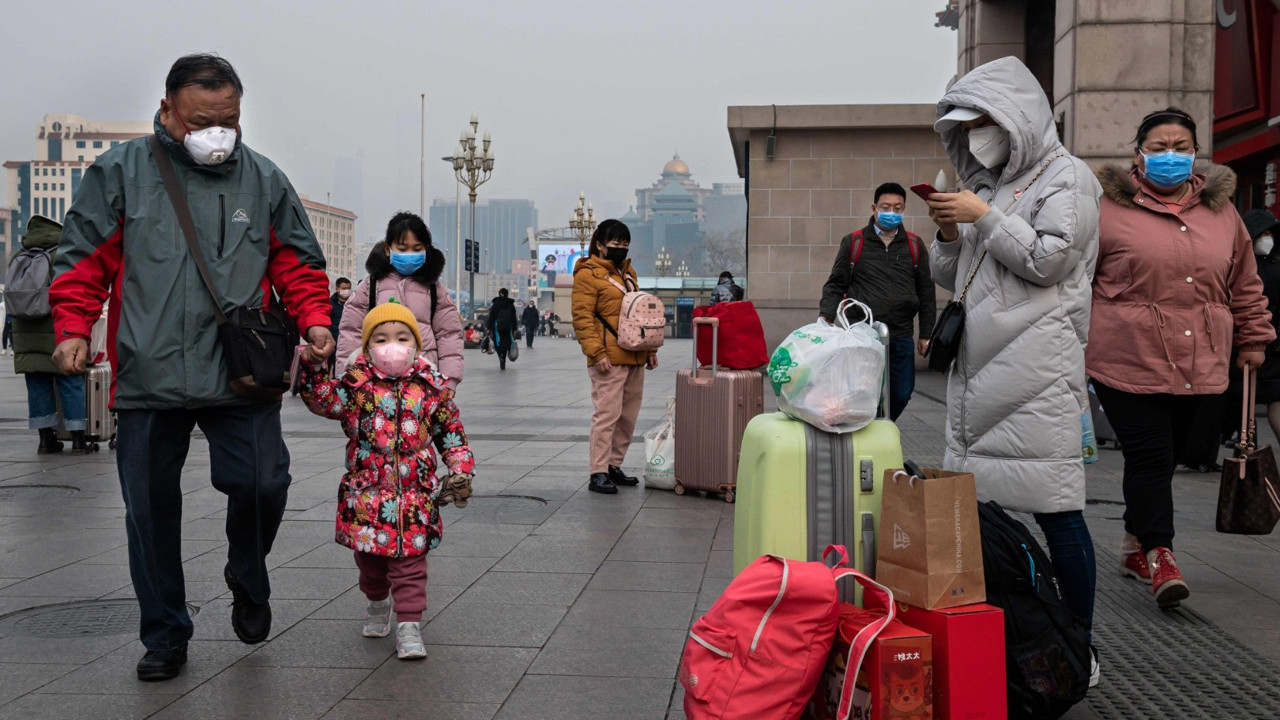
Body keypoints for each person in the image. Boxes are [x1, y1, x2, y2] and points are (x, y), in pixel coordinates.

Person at [48, 54, 334, 681]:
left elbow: (297, 262)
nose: (217, 133)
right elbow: (82, 257)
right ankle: (166, 633)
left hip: (241, 370)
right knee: (149, 511)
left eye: (228, 120)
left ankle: (247, 572)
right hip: (149, 372)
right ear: (168, 109)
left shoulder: (262, 178)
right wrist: (72, 327)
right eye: (202, 120)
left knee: (264, 484)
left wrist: (314, 318)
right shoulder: (119, 171)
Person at [926, 57, 1102, 681]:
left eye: (982, 122)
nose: (975, 136)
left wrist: (984, 216)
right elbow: (953, 275)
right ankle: (1011, 637)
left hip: (1039, 368)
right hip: (981, 366)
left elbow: (1051, 260)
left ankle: (1079, 646)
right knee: (976, 513)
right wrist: (949, 232)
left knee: (1057, 509)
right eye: (964, 125)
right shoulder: (991, 186)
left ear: (1015, 117)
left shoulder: (1069, 177)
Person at [1088, 107, 1274, 610]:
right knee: (1150, 456)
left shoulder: (1222, 212)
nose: (1171, 156)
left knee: (1172, 455)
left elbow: (1244, 281)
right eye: (1159, 146)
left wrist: (1254, 338)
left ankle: (1133, 542)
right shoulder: (1105, 208)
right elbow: (1077, 282)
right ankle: (1161, 554)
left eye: (1181, 146)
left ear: (1195, 154)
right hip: (1126, 357)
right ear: (1138, 153)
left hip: (1203, 359)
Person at [298, 302, 474, 660]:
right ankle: (377, 601)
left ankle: (409, 625)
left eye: (401, 337)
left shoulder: (430, 388)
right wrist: (314, 367)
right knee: (371, 565)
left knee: (411, 565)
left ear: (416, 344)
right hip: (367, 496)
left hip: (414, 496)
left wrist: (460, 469)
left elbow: (450, 431)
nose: (391, 345)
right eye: (380, 338)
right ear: (367, 347)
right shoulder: (354, 386)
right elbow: (321, 400)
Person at [820, 182, 936, 420]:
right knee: (863, 392)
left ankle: (882, 426)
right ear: (874, 208)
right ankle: (870, 433)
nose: (891, 213)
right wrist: (826, 317)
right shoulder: (854, 242)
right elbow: (835, 284)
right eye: (886, 207)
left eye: (897, 208)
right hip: (863, 334)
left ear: (904, 210)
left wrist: (926, 333)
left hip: (901, 334)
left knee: (901, 393)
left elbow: (926, 291)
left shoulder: (914, 245)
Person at [572, 219, 659, 494]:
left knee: (627, 417)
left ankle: (613, 465)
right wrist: (595, 352)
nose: (621, 248)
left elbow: (641, 314)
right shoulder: (588, 275)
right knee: (607, 415)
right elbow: (582, 318)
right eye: (615, 243)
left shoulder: (628, 273)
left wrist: (650, 350)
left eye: (625, 244)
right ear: (599, 244)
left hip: (634, 355)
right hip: (607, 357)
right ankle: (598, 471)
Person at [338, 213, 464, 389]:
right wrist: (347, 378)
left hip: (424, 382)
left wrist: (449, 381)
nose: (410, 254)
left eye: (417, 248)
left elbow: (449, 336)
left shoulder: (434, 289)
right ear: (388, 249)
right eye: (402, 249)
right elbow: (351, 332)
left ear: (426, 250)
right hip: (376, 383)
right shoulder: (370, 286)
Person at [13, 216, 89, 454]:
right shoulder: (62, 254)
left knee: (37, 383)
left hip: (25, 335)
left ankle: (45, 440)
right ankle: (78, 440)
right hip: (56, 330)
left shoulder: (18, 257)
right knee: (70, 381)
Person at [1245, 209, 1280, 442]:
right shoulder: (1246, 269)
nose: (1267, 238)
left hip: (1269, 345)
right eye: (1262, 233)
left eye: (1270, 233)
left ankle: (1246, 452)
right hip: (1249, 343)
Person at [487, 288, 518, 370]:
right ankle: (503, 358)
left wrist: (489, 327)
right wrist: (515, 327)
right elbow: (514, 317)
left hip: (497, 328)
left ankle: (500, 357)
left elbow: (491, 316)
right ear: (507, 294)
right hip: (508, 328)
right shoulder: (510, 304)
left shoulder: (495, 304)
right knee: (506, 344)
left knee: (498, 344)